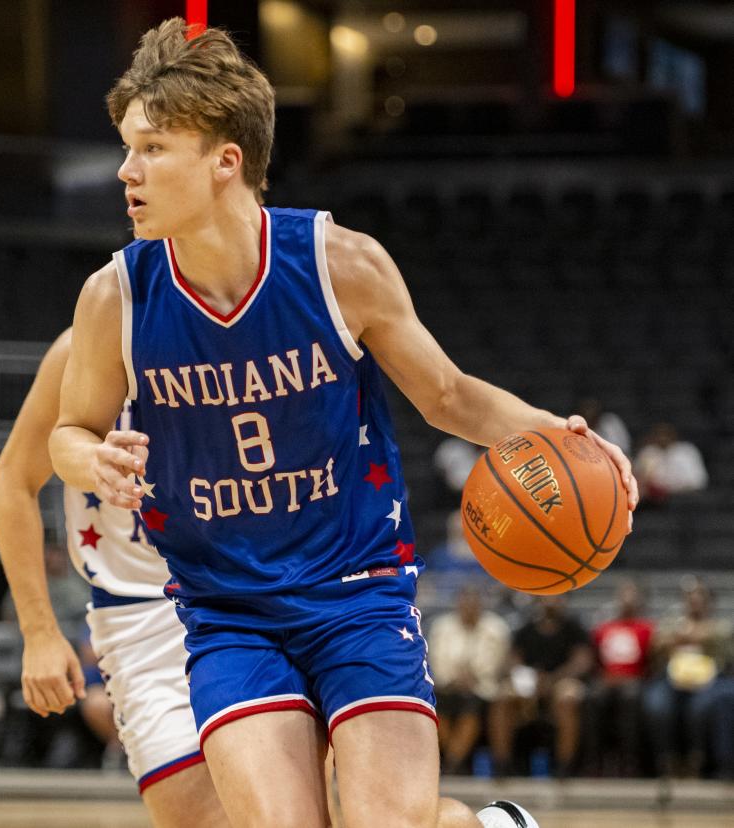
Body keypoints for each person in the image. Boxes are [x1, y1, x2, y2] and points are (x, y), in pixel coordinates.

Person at [49, 19, 636, 827]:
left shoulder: (339, 265)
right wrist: (92, 462)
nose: (126, 171)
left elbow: (449, 396)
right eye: (126, 147)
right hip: (228, 610)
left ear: (225, 161)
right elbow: (67, 431)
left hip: (356, 594)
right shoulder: (114, 296)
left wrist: (563, 434)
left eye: (151, 148)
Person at [0, 329, 228, 827]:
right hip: (138, 616)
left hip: (250, 596)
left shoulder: (266, 329)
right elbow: (14, 481)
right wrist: (39, 633)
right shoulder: (83, 347)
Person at [488, 595, 592, 778]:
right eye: (547, 598)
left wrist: (552, 679)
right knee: (502, 697)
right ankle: (502, 764)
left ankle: (564, 766)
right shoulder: (526, 628)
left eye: (557, 597)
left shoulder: (574, 628)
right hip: (530, 683)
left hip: (561, 680)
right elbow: (512, 661)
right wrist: (529, 678)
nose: (551, 601)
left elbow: (582, 662)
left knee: (567, 698)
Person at [642, 578, 733, 777]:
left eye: (700, 597)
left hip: (710, 680)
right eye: (691, 598)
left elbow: (726, 652)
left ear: (709, 602)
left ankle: (696, 760)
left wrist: (698, 635)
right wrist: (678, 637)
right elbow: (657, 644)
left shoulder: (721, 626)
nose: (695, 602)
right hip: (672, 680)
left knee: (700, 708)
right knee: (657, 705)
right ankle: (667, 760)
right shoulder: (672, 623)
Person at [427, 584, 510, 775]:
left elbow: (495, 663)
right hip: (447, 686)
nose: (470, 606)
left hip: (482, 689)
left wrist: (473, 677)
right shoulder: (442, 627)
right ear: (458, 603)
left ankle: (453, 763)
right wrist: (454, 678)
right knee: (439, 705)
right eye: (465, 601)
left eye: (474, 602)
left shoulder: (496, 628)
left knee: (470, 706)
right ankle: (452, 760)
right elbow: (437, 661)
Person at [585, 578, 653, 776]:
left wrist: (637, 678)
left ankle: (629, 760)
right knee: (594, 697)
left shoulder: (647, 628)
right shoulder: (604, 628)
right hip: (606, 679)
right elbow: (595, 662)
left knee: (629, 697)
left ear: (641, 600)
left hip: (634, 680)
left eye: (632, 595)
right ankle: (594, 760)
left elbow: (651, 663)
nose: (627, 599)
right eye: (624, 594)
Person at [634, 422, 708, 505]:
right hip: (656, 502)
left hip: (686, 499)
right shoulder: (648, 452)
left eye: (666, 434)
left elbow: (698, 481)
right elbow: (639, 482)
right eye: (660, 434)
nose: (662, 437)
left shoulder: (686, 451)